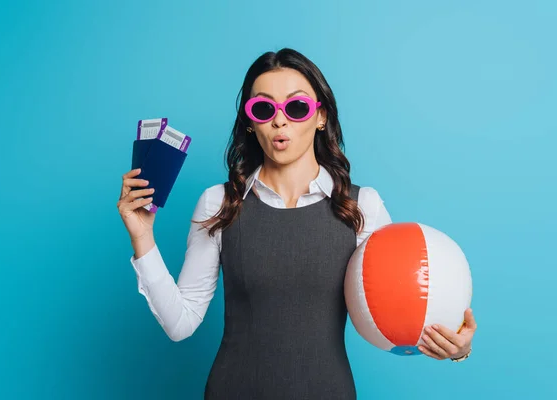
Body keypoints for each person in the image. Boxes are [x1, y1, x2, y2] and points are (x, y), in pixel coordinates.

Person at [117, 48, 477, 399]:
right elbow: (181, 324)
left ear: (321, 116)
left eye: (297, 106)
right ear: (249, 121)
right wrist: (143, 237)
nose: (279, 120)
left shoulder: (361, 206)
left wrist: (458, 349)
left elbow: (393, 314)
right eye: (263, 108)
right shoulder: (219, 203)